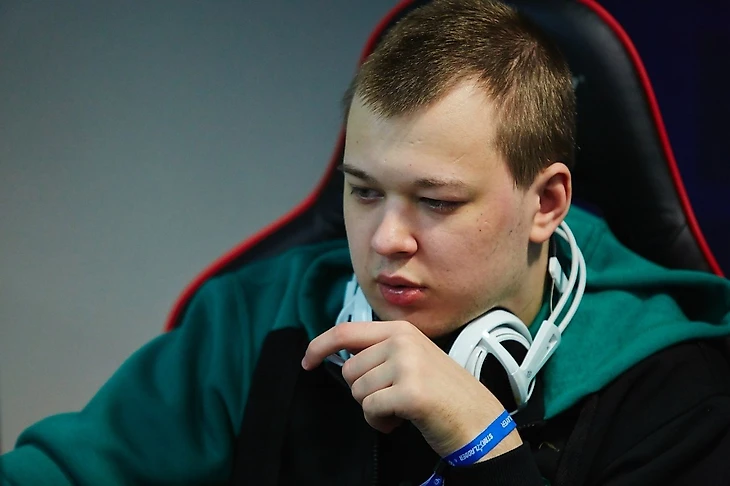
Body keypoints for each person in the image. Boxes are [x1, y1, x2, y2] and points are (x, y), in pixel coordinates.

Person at [3, 0, 730, 484]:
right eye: (364, 191)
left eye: (436, 201)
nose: (385, 239)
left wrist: (485, 448)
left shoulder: (676, 391)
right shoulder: (253, 319)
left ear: (546, 204)